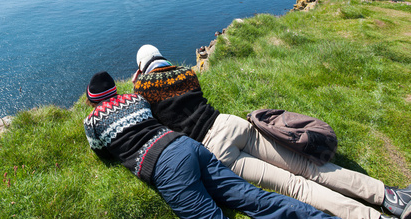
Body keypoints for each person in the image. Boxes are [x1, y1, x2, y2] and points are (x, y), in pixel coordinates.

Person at [131, 44, 411, 219]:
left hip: (216, 147)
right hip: (231, 124)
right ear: (162, 57)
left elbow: (148, 111)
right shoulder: (186, 73)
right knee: (309, 167)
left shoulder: (142, 88)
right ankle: (389, 197)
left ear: (141, 68)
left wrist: (137, 82)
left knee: (294, 186)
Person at [83, 71, 337, 219]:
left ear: (91, 100)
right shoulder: (135, 100)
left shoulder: (92, 121)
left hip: (164, 165)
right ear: (116, 90)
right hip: (186, 145)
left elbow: (102, 153)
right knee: (254, 198)